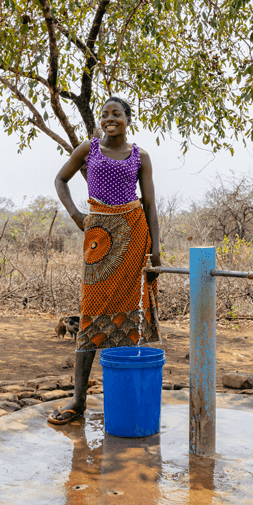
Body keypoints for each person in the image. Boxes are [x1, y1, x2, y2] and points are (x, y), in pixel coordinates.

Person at [49, 95, 161, 425]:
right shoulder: (89, 148)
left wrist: (156, 248)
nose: (109, 118)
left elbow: (150, 204)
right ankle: (78, 400)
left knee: (132, 316)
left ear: (128, 119)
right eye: (104, 114)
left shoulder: (140, 156)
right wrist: (76, 215)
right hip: (98, 237)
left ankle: (126, 396)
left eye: (116, 114)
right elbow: (60, 180)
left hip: (134, 236)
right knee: (91, 313)